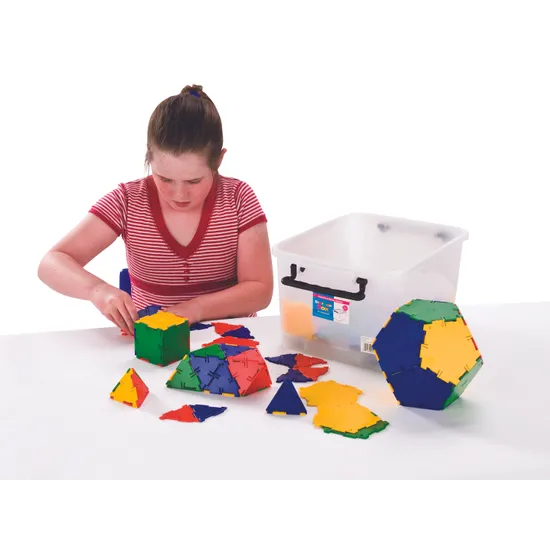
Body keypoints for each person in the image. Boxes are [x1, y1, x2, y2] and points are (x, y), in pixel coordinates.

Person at [38, 84, 274, 336]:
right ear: (149, 158)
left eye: (194, 181)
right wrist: (97, 291)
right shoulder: (127, 201)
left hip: (233, 341)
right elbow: (51, 263)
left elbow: (260, 290)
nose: (179, 195)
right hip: (154, 347)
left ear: (219, 160)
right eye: (165, 179)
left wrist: (192, 310)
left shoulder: (238, 198)